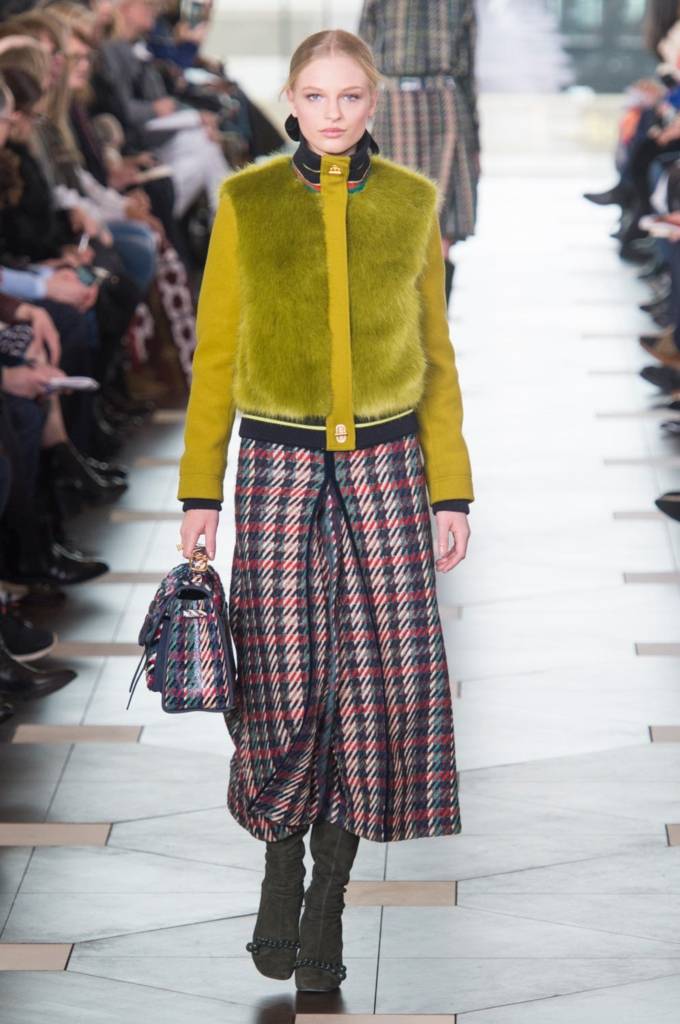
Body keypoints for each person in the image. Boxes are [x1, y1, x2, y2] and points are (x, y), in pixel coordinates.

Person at [177, 29, 473, 993]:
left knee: (373, 683)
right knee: (281, 676)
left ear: (373, 102)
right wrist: (198, 490)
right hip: (277, 466)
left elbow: (437, 359)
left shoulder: (412, 202)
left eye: (351, 96)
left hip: (388, 466)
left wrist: (451, 489)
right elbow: (216, 355)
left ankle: (329, 899)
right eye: (317, 95)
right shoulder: (248, 202)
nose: (334, 113)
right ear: (292, 101)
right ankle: (279, 868)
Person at [358, 0, 480, 305]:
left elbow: (468, 65)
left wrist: (475, 140)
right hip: (399, 102)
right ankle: (403, 317)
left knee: (442, 219)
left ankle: (434, 321)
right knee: (396, 215)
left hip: (443, 102)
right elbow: (361, 56)